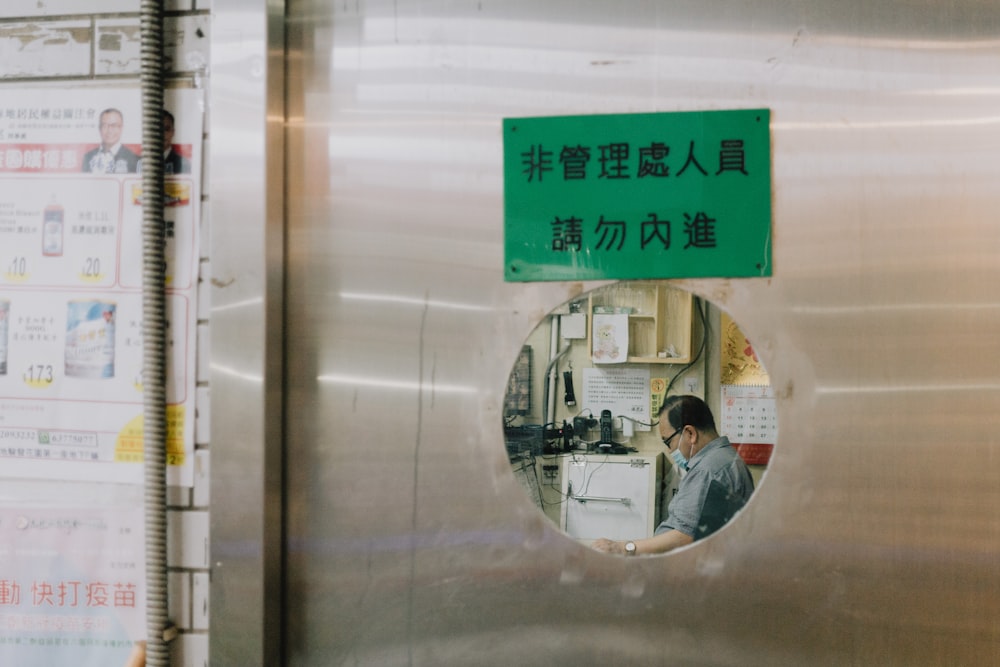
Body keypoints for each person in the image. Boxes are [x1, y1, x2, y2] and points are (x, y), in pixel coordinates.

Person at [592, 394, 755, 556]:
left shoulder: (709, 469)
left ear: (690, 433)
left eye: (668, 442)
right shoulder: (724, 458)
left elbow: (684, 536)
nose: (670, 451)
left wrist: (623, 548)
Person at [82, 108, 140, 173]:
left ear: (121, 128)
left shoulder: (134, 159)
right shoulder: (88, 157)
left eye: (114, 125)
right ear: (99, 128)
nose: (109, 130)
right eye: (104, 125)